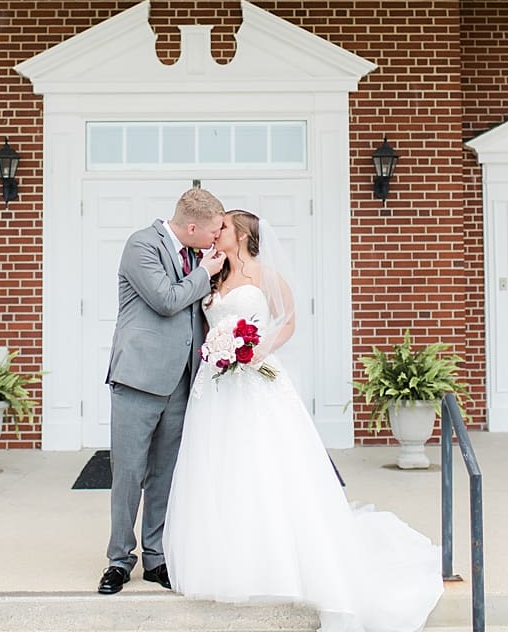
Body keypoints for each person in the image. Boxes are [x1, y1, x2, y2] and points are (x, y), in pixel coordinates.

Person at [163, 211, 444, 632]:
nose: (213, 234)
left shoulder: (266, 275)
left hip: (256, 378)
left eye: (221, 228)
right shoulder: (211, 275)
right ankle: (224, 556)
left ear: (240, 235)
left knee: (265, 464)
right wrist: (218, 351)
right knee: (218, 465)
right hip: (215, 386)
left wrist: (254, 351)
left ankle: (276, 558)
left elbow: (288, 321)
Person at [98, 187, 227, 596]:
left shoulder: (197, 255)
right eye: (212, 231)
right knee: (129, 474)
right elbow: (167, 300)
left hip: (182, 382)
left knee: (164, 475)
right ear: (191, 227)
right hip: (138, 379)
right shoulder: (142, 245)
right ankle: (119, 560)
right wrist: (204, 274)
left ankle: (156, 557)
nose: (216, 238)